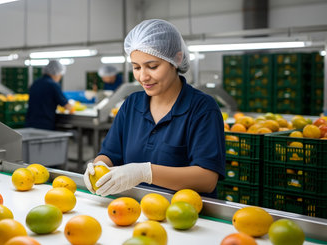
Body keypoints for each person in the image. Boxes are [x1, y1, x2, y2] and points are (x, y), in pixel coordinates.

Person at [83, 19, 225, 198]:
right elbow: (110, 154)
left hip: (184, 216)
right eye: (136, 67)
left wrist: (145, 173)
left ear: (177, 59)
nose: (143, 77)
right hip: (133, 212)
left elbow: (206, 178)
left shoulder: (202, 108)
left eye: (152, 66)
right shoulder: (132, 104)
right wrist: (99, 166)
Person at [25, 60, 73, 130]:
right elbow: (66, 105)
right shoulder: (53, 85)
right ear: (57, 73)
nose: (59, 78)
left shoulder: (36, 83)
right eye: (60, 75)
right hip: (44, 125)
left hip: (30, 123)